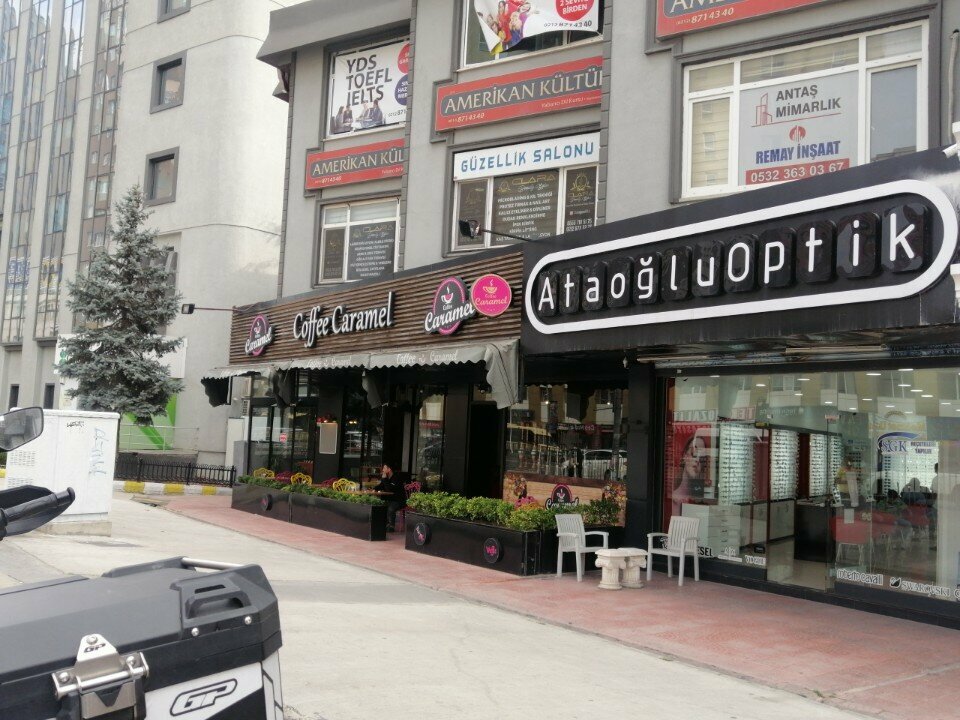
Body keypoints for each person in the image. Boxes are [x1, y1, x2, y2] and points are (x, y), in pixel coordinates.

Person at [376, 463, 407, 532]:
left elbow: (390, 489)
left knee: (391, 508)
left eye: (384, 468)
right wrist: (373, 488)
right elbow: (381, 486)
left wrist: (384, 479)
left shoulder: (396, 477)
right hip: (390, 499)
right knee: (381, 505)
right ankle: (383, 524)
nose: (383, 470)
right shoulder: (386, 477)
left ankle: (391, 526)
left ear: (389, 469)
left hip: (399, 500)